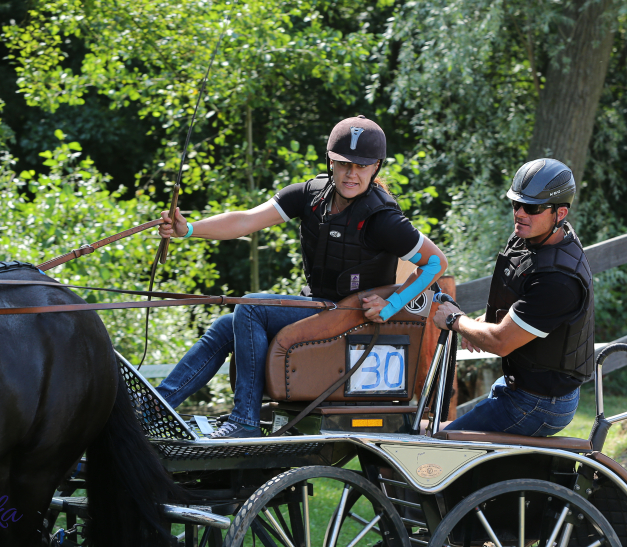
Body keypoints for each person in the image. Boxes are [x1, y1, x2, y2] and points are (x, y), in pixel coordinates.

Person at [157, 115, 448, 438]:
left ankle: (244, 422)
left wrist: (391, 305)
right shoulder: (309, 196)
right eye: (343, 164)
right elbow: (245, 221)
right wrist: (189, 230)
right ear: (330, 161)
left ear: (376, 167)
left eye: (362, 166)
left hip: (353, 320)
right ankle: (155, 409)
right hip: (322, 310)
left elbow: (436, 264)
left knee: (250, 307)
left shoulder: (383, 219)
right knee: (228, 325)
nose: (352, 174)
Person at [433, 158, 594, 437]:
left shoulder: (559, 279)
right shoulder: (530, 239)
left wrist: (454, 319)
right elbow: (517, 305)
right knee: (435, 434)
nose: (520, 213)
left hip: (539, 404)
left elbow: (501, 342)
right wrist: (481, 324)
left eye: (531, 207)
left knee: (441, 447)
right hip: (520, 387)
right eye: (515, 204)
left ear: (561, 213)